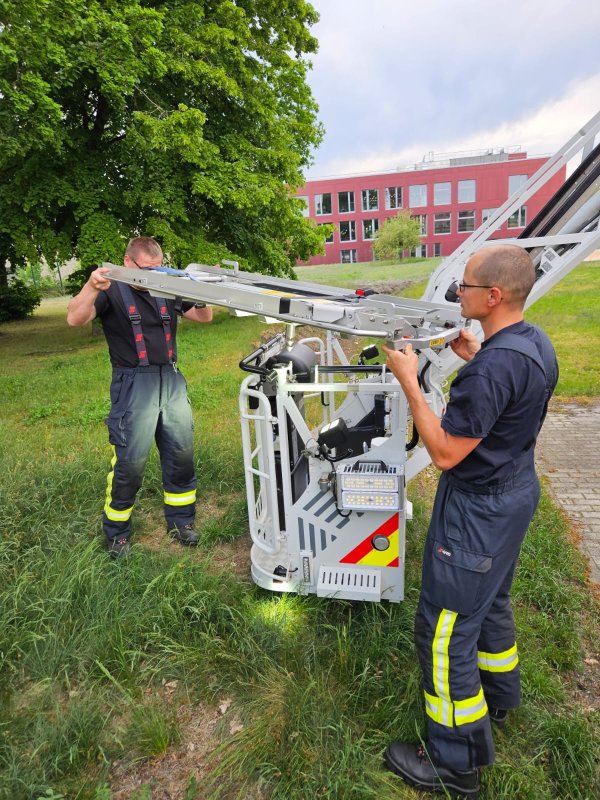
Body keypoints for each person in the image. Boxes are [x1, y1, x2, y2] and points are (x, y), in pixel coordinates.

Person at [382, 244, 558, 798]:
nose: (459, 293)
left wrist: (409, 381)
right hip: (514, 494)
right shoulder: (533, 344)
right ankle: (498, 698)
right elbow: (505, 402)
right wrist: (475, 354)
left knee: (443, 632)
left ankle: (454, 763)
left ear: (494, 295)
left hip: (477, 512)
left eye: (466, 286)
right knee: (491, 601)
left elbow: (444, 453)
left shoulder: (492, 370)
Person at [67, 236, 213, 559]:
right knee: (130, 463)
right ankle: (117, 533)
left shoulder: (165, 286)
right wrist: (91, 286)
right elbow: (74, 318)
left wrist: (201, 295)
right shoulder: (111, 289)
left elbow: (204, 318)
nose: (152, 276)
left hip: (171, 380)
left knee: (181, 454)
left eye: (157, 269)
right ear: (127, 262)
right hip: (133, 384)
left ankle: (181, 522)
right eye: (146, 269)